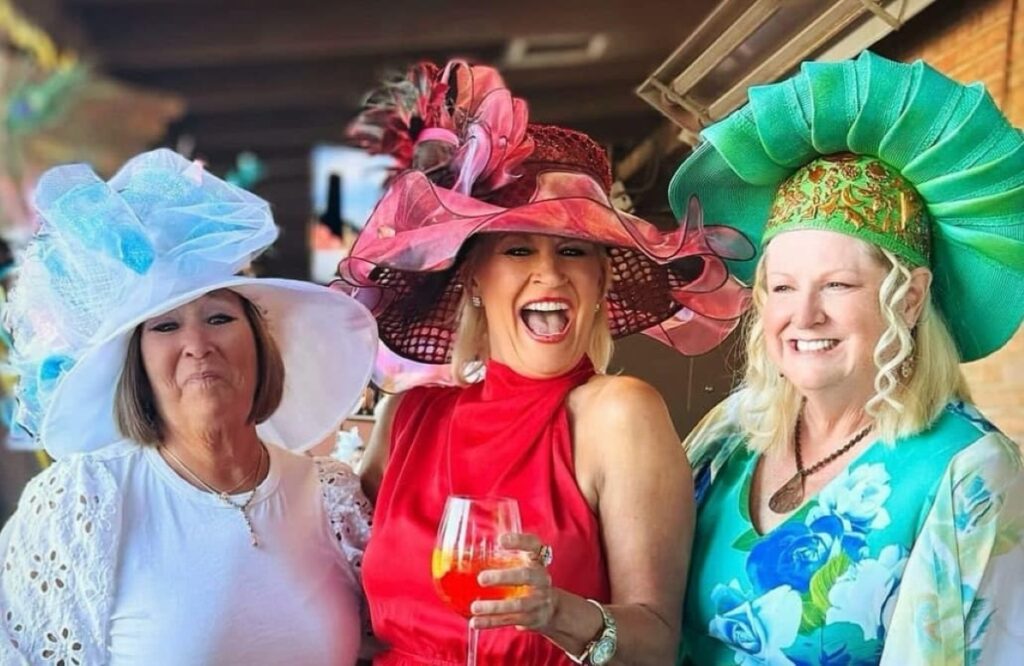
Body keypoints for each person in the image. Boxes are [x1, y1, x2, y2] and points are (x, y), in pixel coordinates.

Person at [338, 60, 752, 665]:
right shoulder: (406, 417)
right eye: (518, 248)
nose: (550, 272)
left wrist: (557, 611)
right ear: (474, 275)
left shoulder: (619, 413)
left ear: (601, 276)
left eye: (573, 250)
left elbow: (656, 643)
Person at [669, 51, 1024, 664]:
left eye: (837, 285)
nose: (803, 316)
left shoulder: (969, 471)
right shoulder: (731, 432)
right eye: (781, 287)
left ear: (909, 299)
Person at [0, 149, 379, 665]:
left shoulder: (334, 498)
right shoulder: (82, 502)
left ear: (259, 341)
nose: (197, 344)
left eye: (219, 318)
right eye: (165, 326)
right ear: (137, 362)